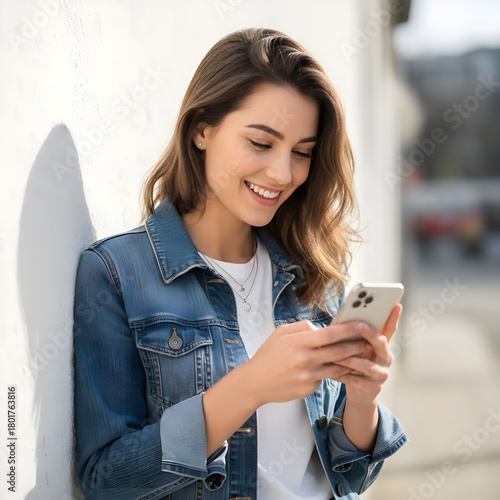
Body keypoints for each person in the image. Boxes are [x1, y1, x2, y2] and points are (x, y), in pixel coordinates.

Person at [73, 27, 407, 500]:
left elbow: (347, 475)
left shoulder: (310, 276)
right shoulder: (117, 275)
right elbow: (107, 480)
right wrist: (248, 387)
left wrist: (363, 399)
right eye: (260, 142)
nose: (282, 173)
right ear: (202, 129)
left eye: (302, 153)